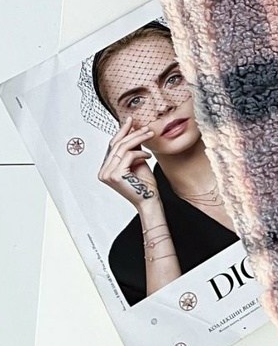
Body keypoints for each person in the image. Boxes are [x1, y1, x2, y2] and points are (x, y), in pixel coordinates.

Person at [92, 21, 237, 305]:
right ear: (121, 127)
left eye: (173, 79)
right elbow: (175, 325)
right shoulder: (128, 257)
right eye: (136, 101)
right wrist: (149, 207)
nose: (162, 105)